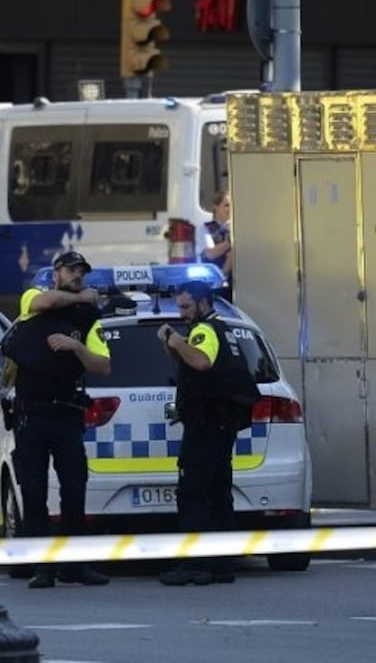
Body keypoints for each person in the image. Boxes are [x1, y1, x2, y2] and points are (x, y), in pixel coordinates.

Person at [4, 251, 112, 588]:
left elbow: (103, 366)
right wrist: (79, 296)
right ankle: (43, 567)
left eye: (82, 271)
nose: (77, 275)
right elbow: (46, 303)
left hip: (65, 414)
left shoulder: (88, 319)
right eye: (71, 270)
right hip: (31, 416)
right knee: (34, 495)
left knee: (74, 492)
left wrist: (75, 347)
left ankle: (74, 566)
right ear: (57, 273)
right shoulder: (34, 297)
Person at [156, 280, 260, 586]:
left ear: (204, 303)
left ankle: (195, 565)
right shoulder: (226, 329)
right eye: (179, 306)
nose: (182, 312)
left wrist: (175, 341)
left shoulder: (205, 330)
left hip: (205, 427)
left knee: (193, 495)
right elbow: (196, 365)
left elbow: (200, 362)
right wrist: (172, 345)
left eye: (187, 306)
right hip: (219, 426)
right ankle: (221, 565)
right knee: (217, 495)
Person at [201, 190, 233, 294]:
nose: (230, 209)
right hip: (216, 285)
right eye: (226, 205)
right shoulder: (206, 228)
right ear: (216, 207)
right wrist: (230, 241)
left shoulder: (237, 227)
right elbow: (210, 254)